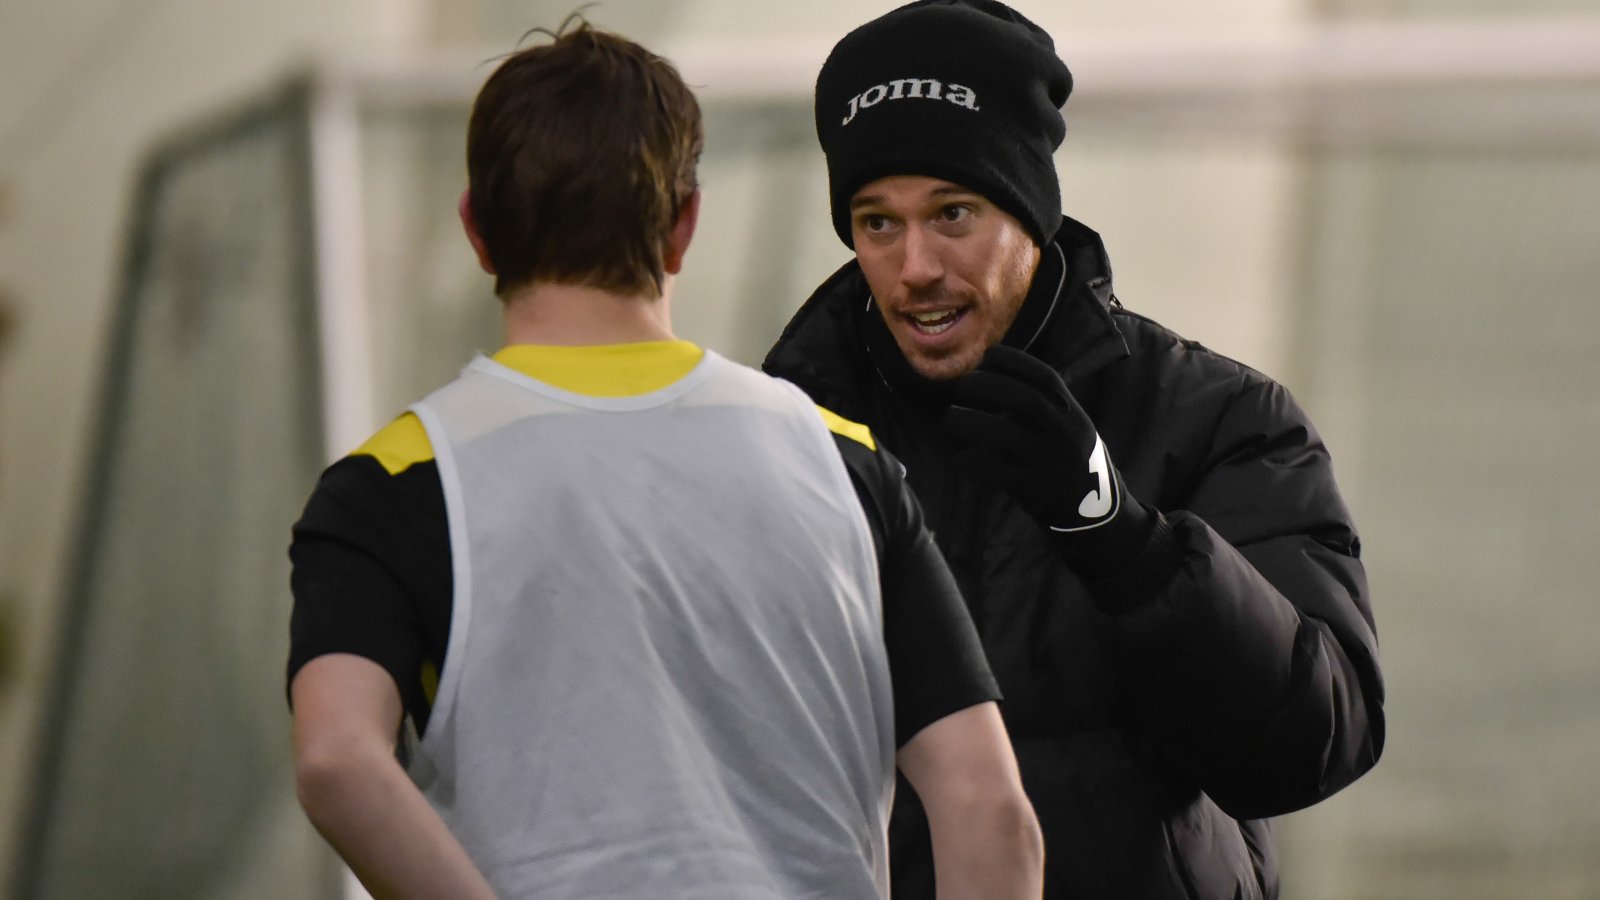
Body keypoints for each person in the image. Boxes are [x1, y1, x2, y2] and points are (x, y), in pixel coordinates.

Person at [286, 20, 1043, 900]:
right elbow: (990, 809)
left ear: (477, 231)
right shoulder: (840, 462)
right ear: (684, 224)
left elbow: (338, 759)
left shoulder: (393, 484)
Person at [762, 1, 1387, 898]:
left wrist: (1123, 541)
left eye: (953, 213)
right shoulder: (786, 435)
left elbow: (1309, 745)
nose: (916, 266)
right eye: (878, 222)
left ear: (1031, 213)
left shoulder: (1219, 419)